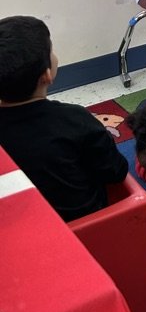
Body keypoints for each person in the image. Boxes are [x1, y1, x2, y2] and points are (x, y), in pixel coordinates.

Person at [0, 15, 128, 221]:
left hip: (18, 226)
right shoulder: (75, 119)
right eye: (51, 50)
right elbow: (116, 171)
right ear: (47, 75)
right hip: (84, 223)